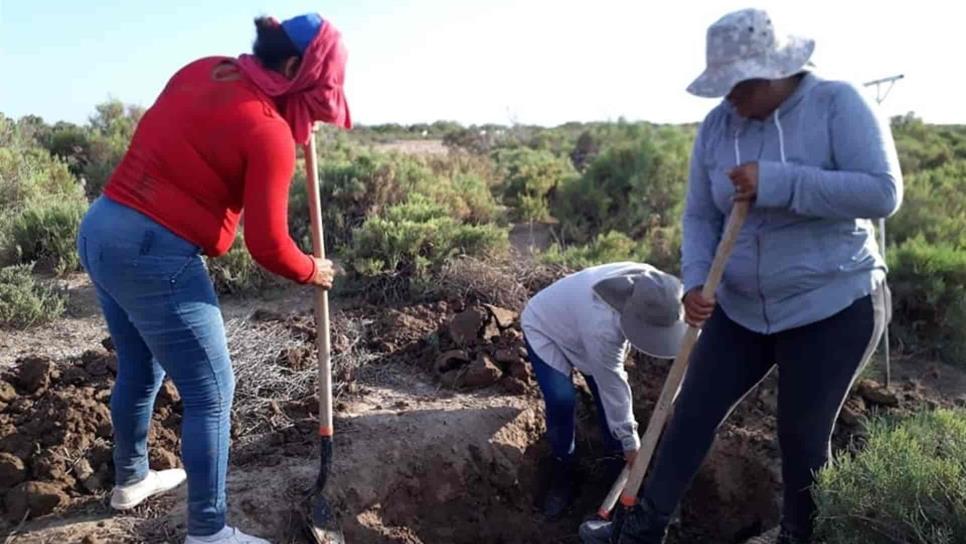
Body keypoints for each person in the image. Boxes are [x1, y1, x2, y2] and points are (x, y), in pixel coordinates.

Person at [581, 8, 901, 544]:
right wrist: (697, 281)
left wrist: (778, 182)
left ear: (777, 70)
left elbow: (881, 192)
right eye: (722, 86)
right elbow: (700, 215)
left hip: (832, 304)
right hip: (741, 306)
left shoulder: (836, 104)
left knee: (801, 436)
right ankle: (638, 529)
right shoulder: (718, 126)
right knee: (689, 416)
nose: (729, 98)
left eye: (739, 85)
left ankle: (799, 536)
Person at [76, 14, 350, 544]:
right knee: (211, 390)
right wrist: (312, 268)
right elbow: (268, 247)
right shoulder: (268, 132)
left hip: (101, 229)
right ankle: (208, 532)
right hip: (155, 251)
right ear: (295, 68)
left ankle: (131, 479)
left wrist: (288, 116)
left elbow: (196, 136)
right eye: (319, 82)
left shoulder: (205, 69)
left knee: (140, 367)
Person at [521, 262, 687, 520]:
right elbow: (613, 385)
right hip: (546, 327)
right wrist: (632, 444)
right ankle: (565, 474)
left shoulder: (656, 288)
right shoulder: (602, 326)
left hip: (582, 326)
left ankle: (615, 474)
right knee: (562, 400)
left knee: (610, 408)